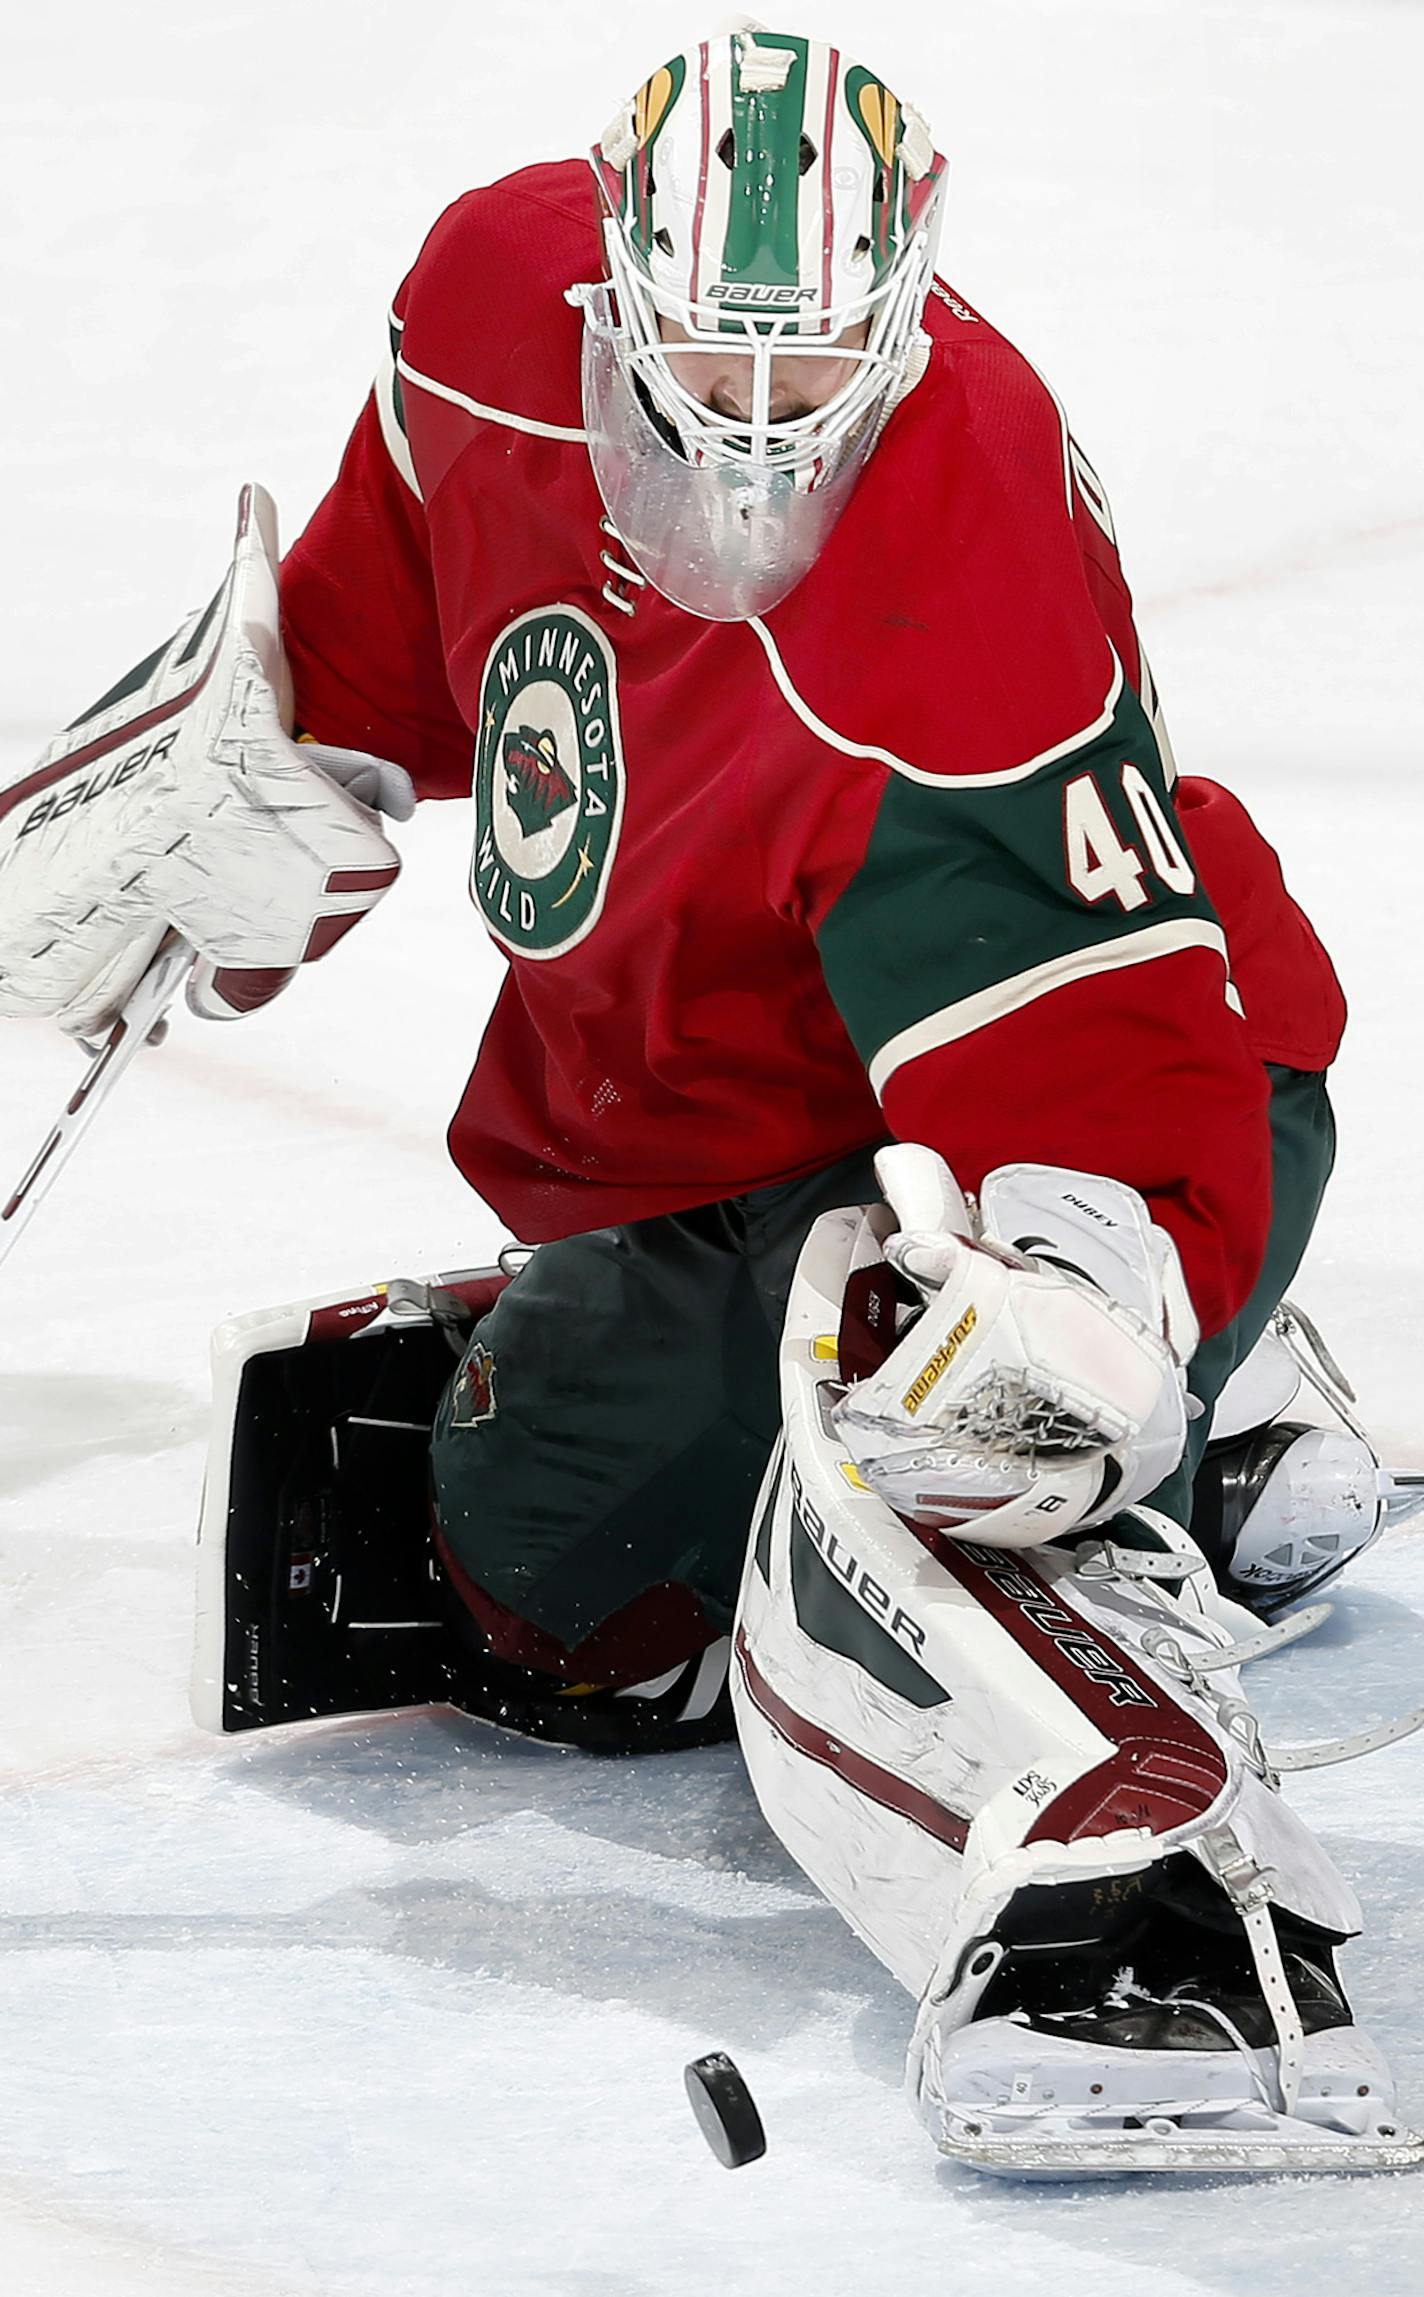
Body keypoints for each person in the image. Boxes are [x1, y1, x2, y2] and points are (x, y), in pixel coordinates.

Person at [1, 20, 1414, 2177]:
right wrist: (248, 772)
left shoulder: (963, 566)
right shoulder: (485, 321)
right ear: (611, 299)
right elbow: (395, 641)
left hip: (1079, 1106)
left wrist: (1093, 1292)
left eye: (808, 382)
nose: (756, 438)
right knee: (551, 1626)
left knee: (940, 1419)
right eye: (707, 374)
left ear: (904, 309)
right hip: (699, 1127)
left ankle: (1143, 1906)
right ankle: (1201, 1437)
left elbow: (1098, 1046)